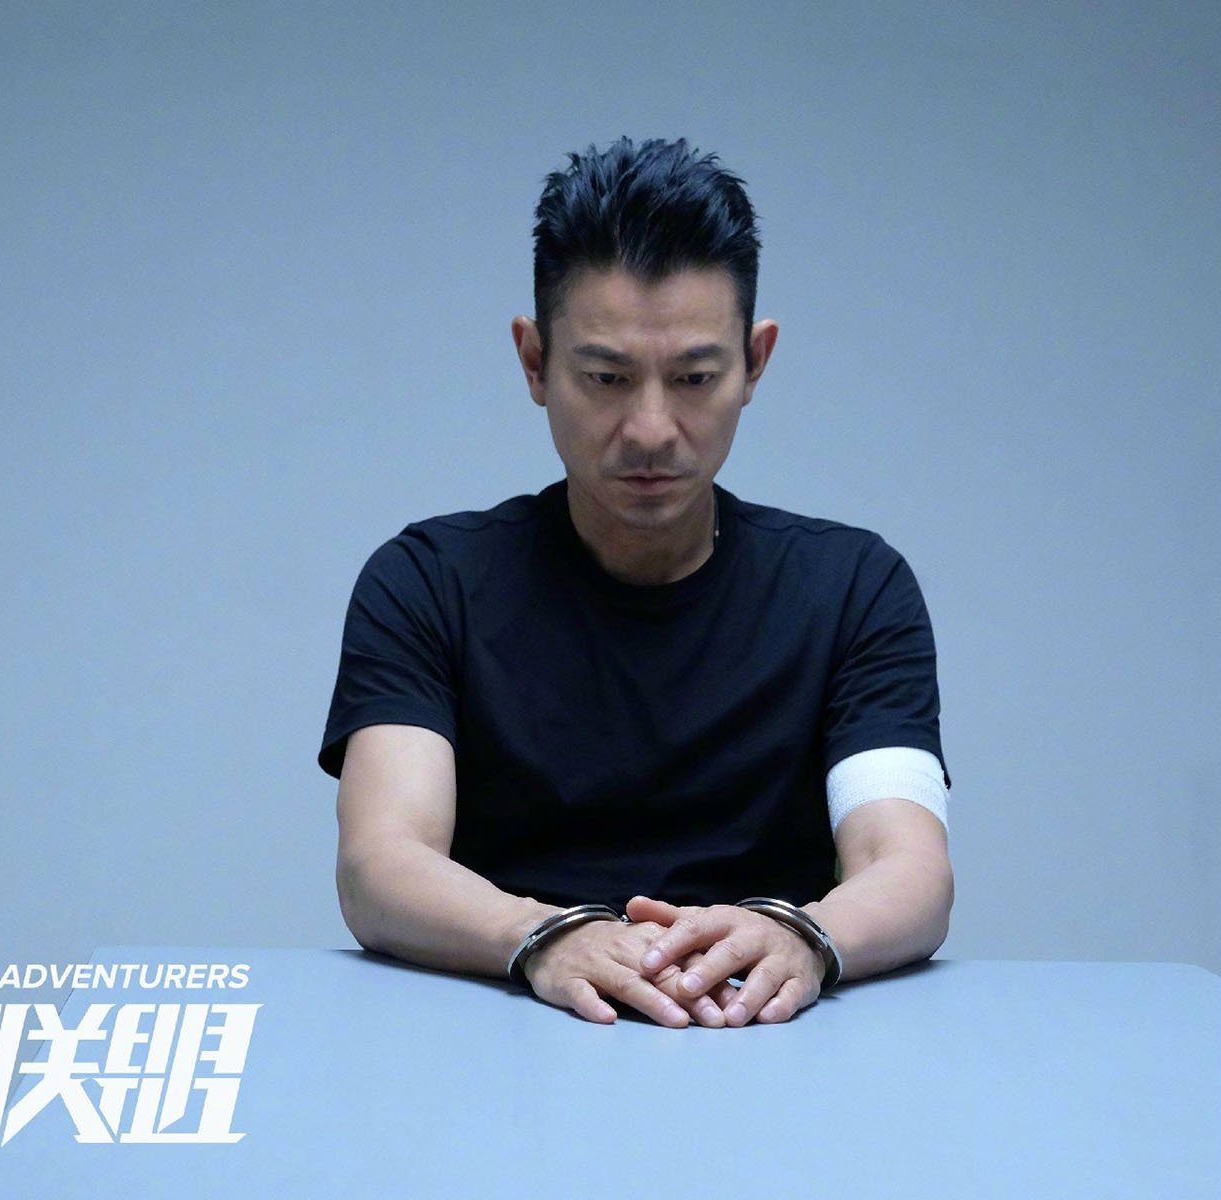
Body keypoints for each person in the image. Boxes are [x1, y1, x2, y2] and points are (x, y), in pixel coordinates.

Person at [319, 136, 952, 1030]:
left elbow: (910, 868)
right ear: (534, 361)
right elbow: (379, 863)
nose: (651, 428)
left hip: (766, 1037)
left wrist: (800, 936)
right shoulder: (427, 584)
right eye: (606, 377)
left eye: (694, 377)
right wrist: (544, 937)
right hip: (502, 1033)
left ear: (755, 363)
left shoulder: (854, 589)